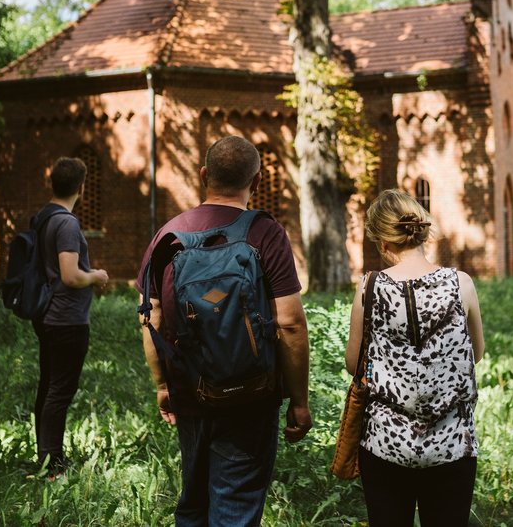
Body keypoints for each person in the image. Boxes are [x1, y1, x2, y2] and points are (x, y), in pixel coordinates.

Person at [136, 136, 312, 527]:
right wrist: (299, 400)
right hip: (252, 394)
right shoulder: (265, 233)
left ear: (204, 175)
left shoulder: (167, 237)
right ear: (257, 180)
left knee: (193, 504)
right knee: (235, 505)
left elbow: (151, 320)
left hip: (189, 391)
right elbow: (290, 323)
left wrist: (163, 386)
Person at [345, 189, 485, 527]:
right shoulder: (461, 284)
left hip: (384, 443)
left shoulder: (369, 287)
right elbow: (475, 353)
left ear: (383, 241)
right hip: (452, 443)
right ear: (421, 233)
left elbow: (354, 363)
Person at [32, 156, 110, 476]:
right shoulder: (66, 223)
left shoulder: (43, 217)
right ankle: (52, 463)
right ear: (82, 187)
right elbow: (70, 275)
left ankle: (45, 456)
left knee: (49, 386)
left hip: (48, 316)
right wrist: (96, 275)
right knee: (60, 390)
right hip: (67, 319)